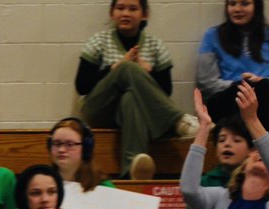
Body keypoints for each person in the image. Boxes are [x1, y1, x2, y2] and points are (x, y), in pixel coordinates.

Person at [75, 0, 199, 180]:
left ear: (144, 14)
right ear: (112, 13)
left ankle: (132, 170)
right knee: (127, 68)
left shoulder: (156, 45)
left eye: (133, 9)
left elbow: (165, 92)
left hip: (134, 114)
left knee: (130, 99)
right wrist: (115, 68)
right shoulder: (99, 41)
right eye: (120, 8)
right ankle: (177, 121)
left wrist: (148, 72)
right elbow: (82, 86)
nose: (126, 13)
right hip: (99, 111)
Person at [197, 0, 269, 178]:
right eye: (232, 4)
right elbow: (206, 82)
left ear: (256, 6)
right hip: (228, 102)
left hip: (265, 103)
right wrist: (240, 85)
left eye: (245, 4)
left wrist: (261, 83)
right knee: (253, 88)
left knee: (265, 87)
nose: (237, 9)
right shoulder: (212, 36)